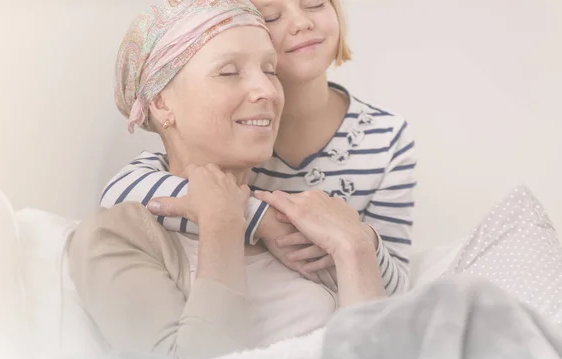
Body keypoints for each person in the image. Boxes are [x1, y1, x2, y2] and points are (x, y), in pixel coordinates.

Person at [69, 0, 386, 359]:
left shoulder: (295, 223)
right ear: (160, 103)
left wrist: (355, 249)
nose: (267, 91)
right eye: (229, 72)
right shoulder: (116, 235)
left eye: (270, 71)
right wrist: (222, 226)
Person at [99, 0, 416, 296]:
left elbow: (395, 287)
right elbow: (124, 193)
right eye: (272, 16)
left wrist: (359, 240)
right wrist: (260, 219)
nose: (302, 23)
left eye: (316, 3)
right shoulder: (232, 137)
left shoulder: (385, 136)